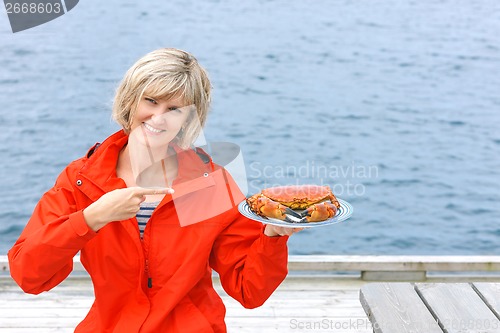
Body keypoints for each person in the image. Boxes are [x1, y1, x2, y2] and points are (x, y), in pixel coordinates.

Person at [8, 48, 302, 333]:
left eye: (174, 109)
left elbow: (249, 290)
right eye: (151, 101)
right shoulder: (81, 180)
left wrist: (272, 238)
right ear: (130, 100)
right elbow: (28, 275)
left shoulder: (212, 183)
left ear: (189, 119)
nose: (158, 119)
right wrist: (90, 218)